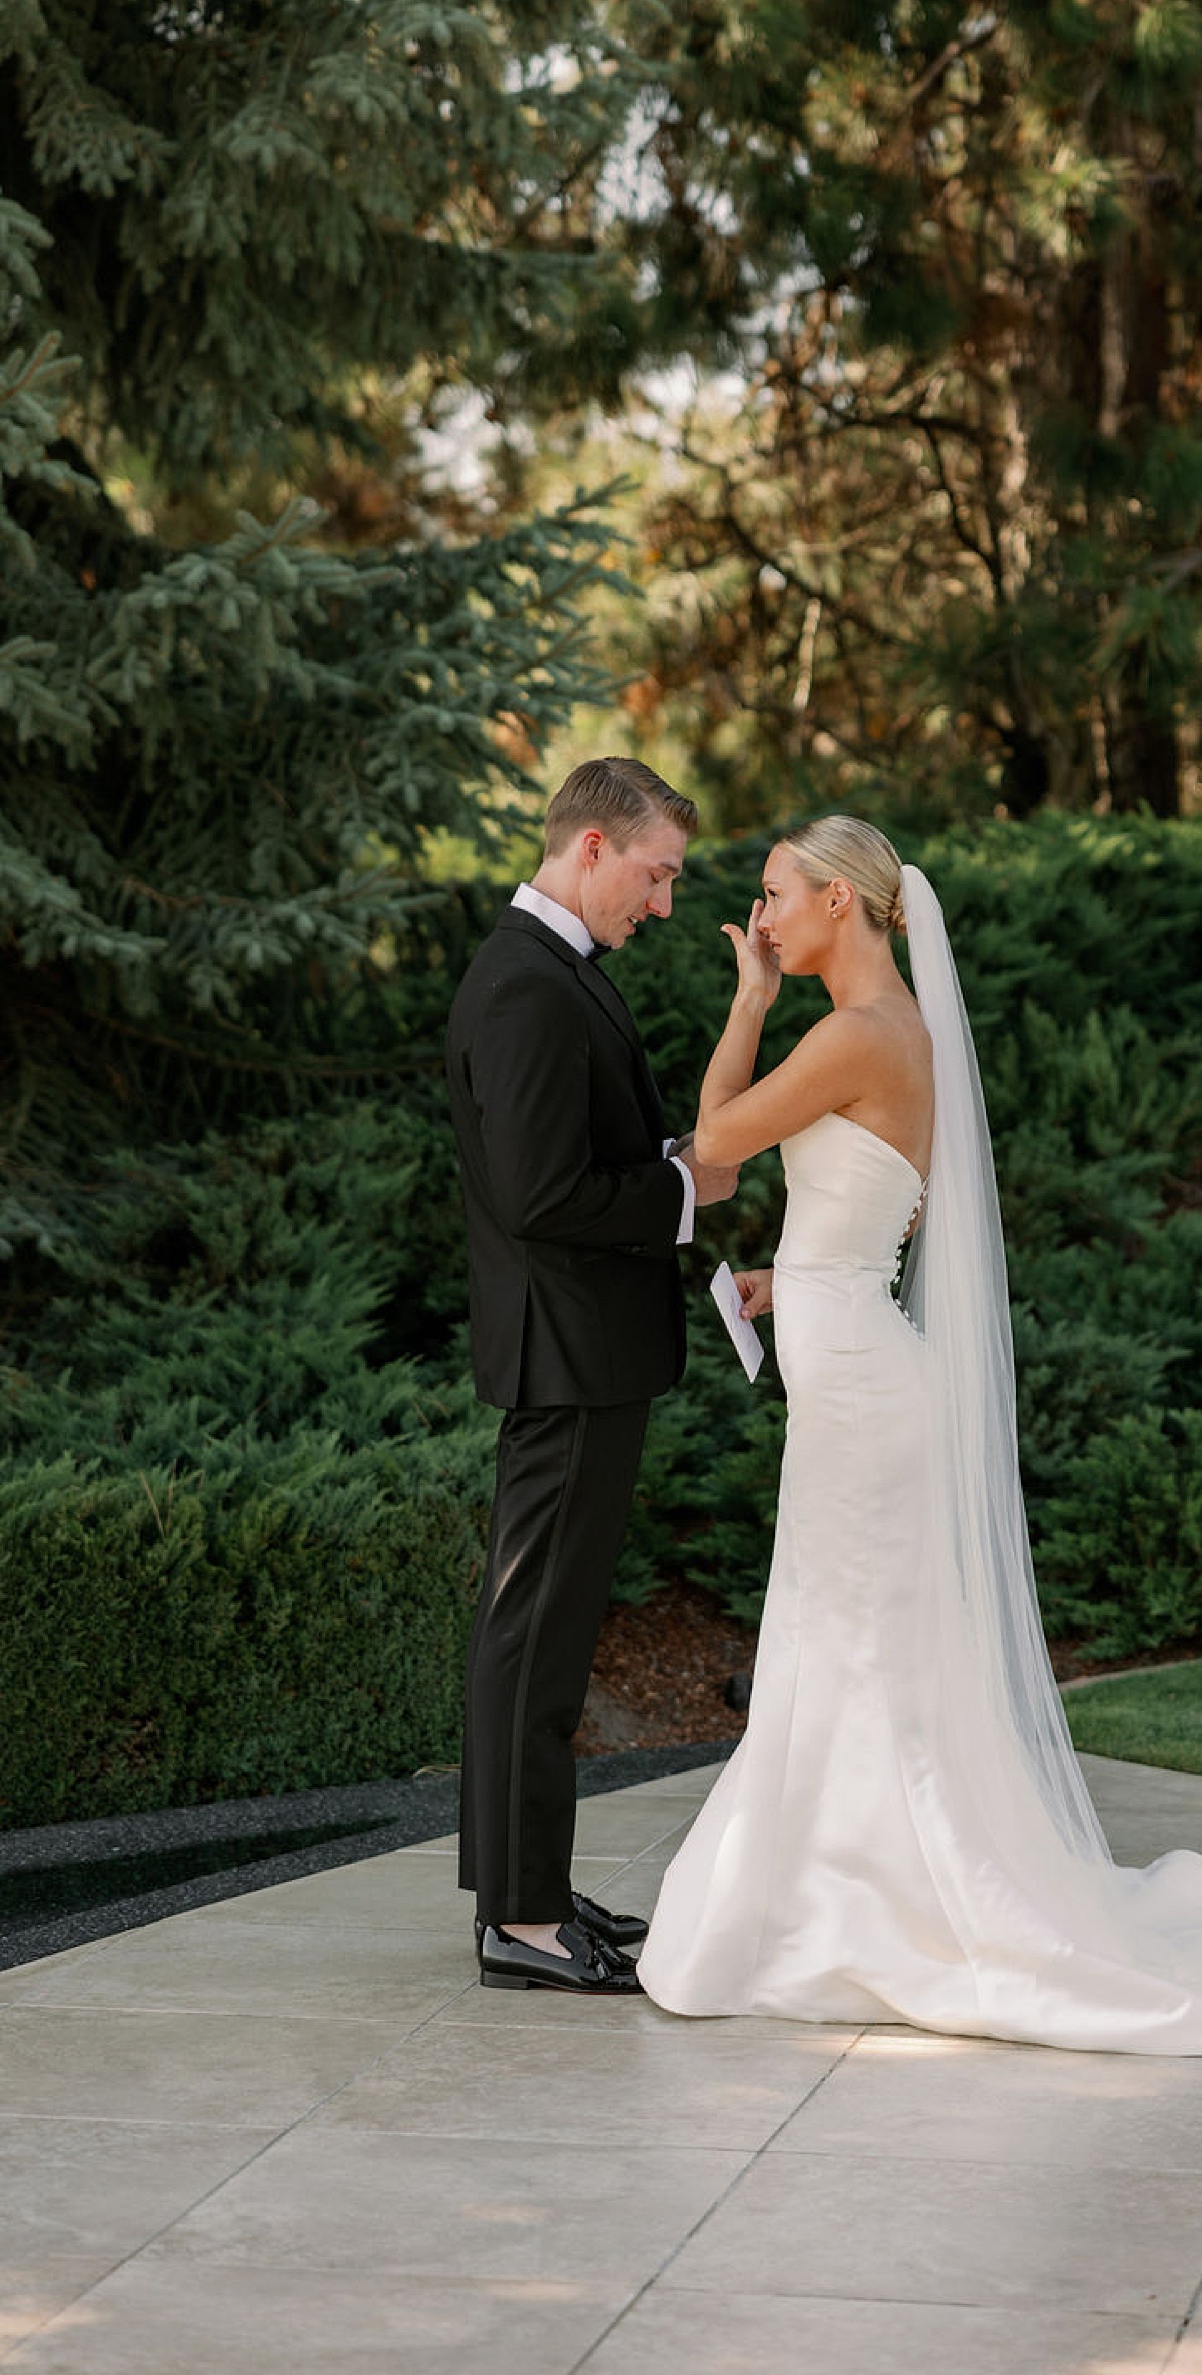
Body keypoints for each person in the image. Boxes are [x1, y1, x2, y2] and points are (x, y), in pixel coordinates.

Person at [637, 816, 1202, 2052]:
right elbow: (868, 1219)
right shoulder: (897, 1035)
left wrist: (742, 1004)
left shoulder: (851, 1034)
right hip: (854, 1362)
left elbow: (717, 1150)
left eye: (777, 895)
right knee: (859, 1638)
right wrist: (788, 1285)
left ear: (841, 903)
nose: (764, 918)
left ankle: (870, 1904)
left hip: (858, 1389)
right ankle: (839, 1888)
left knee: (852, 1640)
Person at [446, 757, 738, 1995]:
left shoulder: (557, 973)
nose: (663, 903)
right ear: (589, 851)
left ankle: (528, 1894)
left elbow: (575, 1155)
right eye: (656, 874)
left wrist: (676, 1152)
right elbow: (537, 1194)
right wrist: (682, 1192)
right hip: (563, 1358)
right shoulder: (523, 986)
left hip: (585, 1353)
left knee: (547, 1637)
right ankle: (517, 1921)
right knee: (536, 1641)